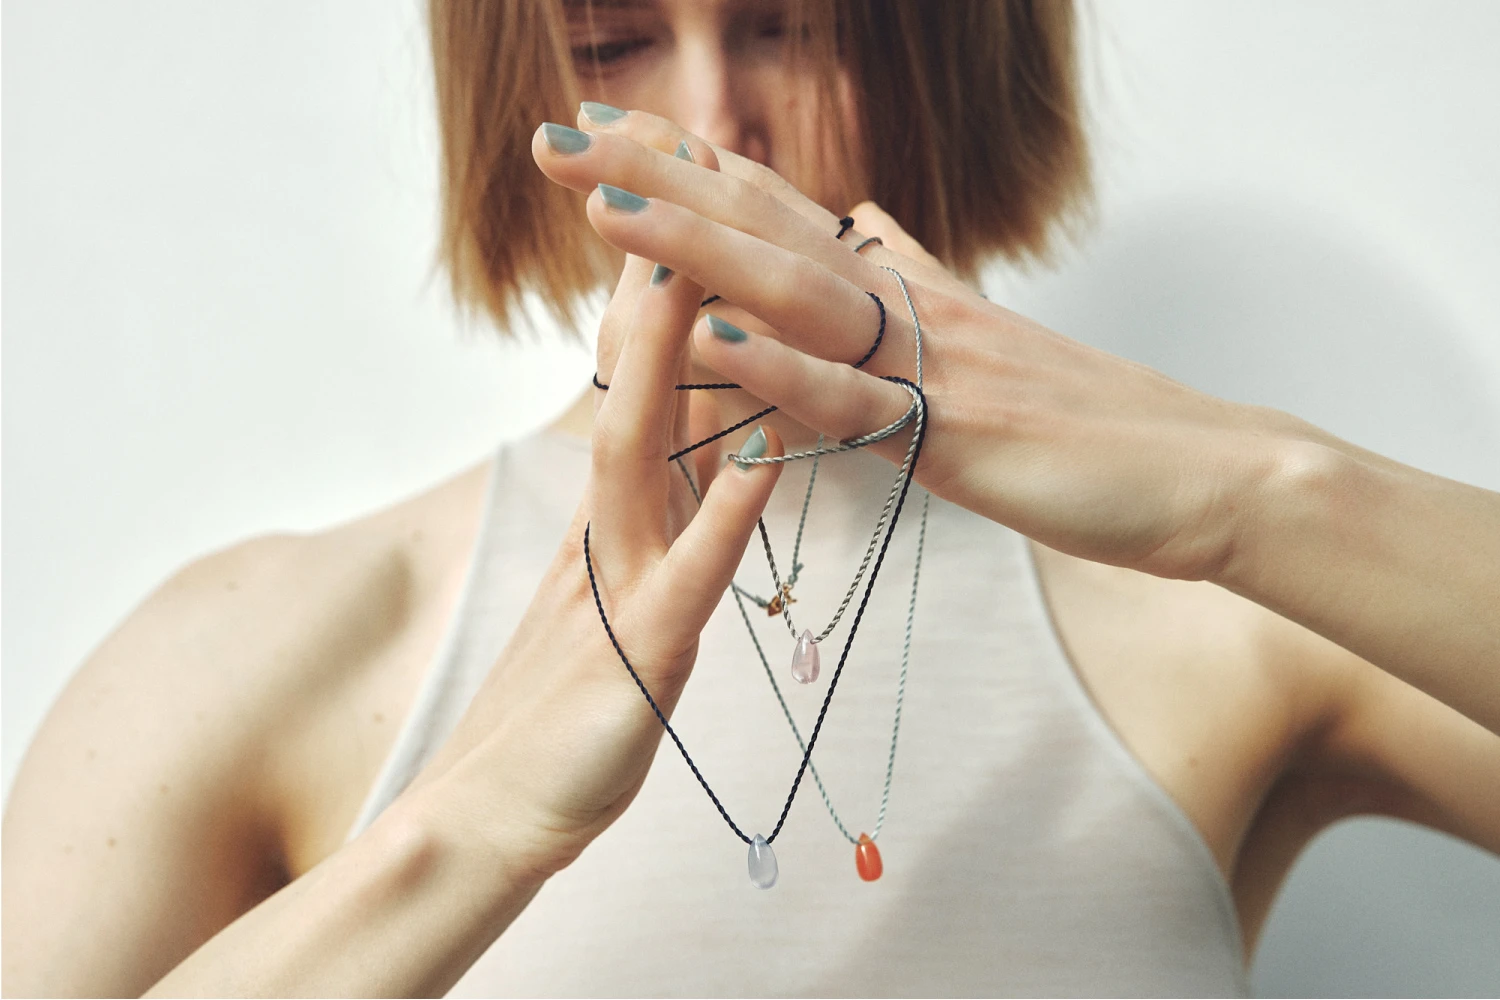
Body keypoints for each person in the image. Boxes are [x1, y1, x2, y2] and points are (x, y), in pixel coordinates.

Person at [4, 0, 1497, 995]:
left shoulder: (1222, 600)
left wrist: (1260, 491)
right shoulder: (277, 641)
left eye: (794, 24)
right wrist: (458, 833)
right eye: (616, 36)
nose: (715, 123)